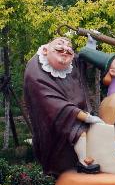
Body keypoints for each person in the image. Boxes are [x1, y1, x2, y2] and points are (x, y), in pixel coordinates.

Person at [24, 37, 104, 177]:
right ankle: (84, 162)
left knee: (92, 133)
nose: (66, 48)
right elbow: (52, 104)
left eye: (69, 46)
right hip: (55, 127)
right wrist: (85, 117)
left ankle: (88, 159)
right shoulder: (35, 71)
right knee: (78, 131)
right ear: (45, 50)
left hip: (79, 115)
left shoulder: (71, 62)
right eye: (60, 44)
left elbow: (84, 62)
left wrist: (91, 44)